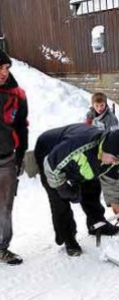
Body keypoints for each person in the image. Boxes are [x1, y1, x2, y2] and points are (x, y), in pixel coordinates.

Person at [34, 124, 119, 256]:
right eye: (114, 159)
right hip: (50, 153)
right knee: (59, 199)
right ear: (105, 149)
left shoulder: (111, 153)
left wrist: (115, 203)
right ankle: (68, 237)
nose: (115, 163)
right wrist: (62, 188)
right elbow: (51, 166)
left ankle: (96, 223)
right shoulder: (79, 146)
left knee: (91, 185)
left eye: (118, 161)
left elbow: (111, 178)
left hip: (75, 159)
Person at [0, 49, 29, 265]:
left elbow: (22, 127)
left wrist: (19, 159)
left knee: (5, 208)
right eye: (0, 68)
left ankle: (2, 247)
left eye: (6, 68)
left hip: (6, 161)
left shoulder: (17, 94)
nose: (4, 72)